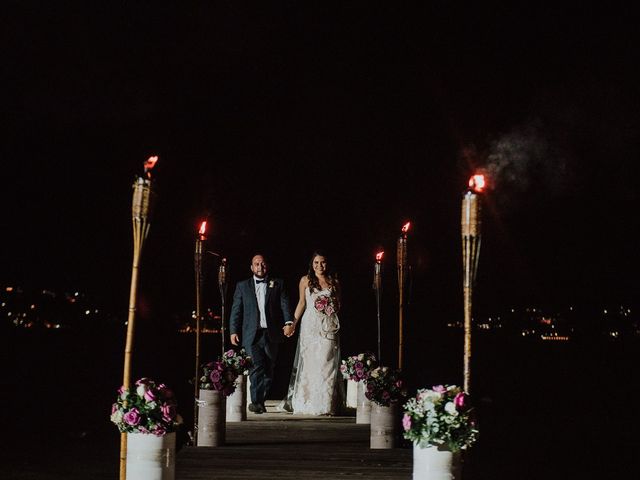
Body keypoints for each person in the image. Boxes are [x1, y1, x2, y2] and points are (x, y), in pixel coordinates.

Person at [280, 251, 343, 415]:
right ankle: (307, 401)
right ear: (312, 264)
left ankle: (325, 404)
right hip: (309, 326)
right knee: (310, 364)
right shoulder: (305, 280)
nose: (319, 266)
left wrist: (330, 306)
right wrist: (292, 324)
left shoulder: (333, 281)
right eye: (316, 262)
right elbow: (301, 303)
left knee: (326, 361)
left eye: (323, 262)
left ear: (327, 264)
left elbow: (339, 303)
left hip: (327, 325)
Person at [230, 254, 293, 414]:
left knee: (269, 369)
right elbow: (236, 310)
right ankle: (256, 401)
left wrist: (288, 322)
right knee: (256, 367)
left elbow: (284, 304)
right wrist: (233, 330)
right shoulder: (242, 286)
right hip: (252, 335)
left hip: (271, 333)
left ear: (267, 266)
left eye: (263, 264)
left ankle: (260, 399)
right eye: (256, 264)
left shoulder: (278, 284)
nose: (260, 267)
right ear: (252, 267)